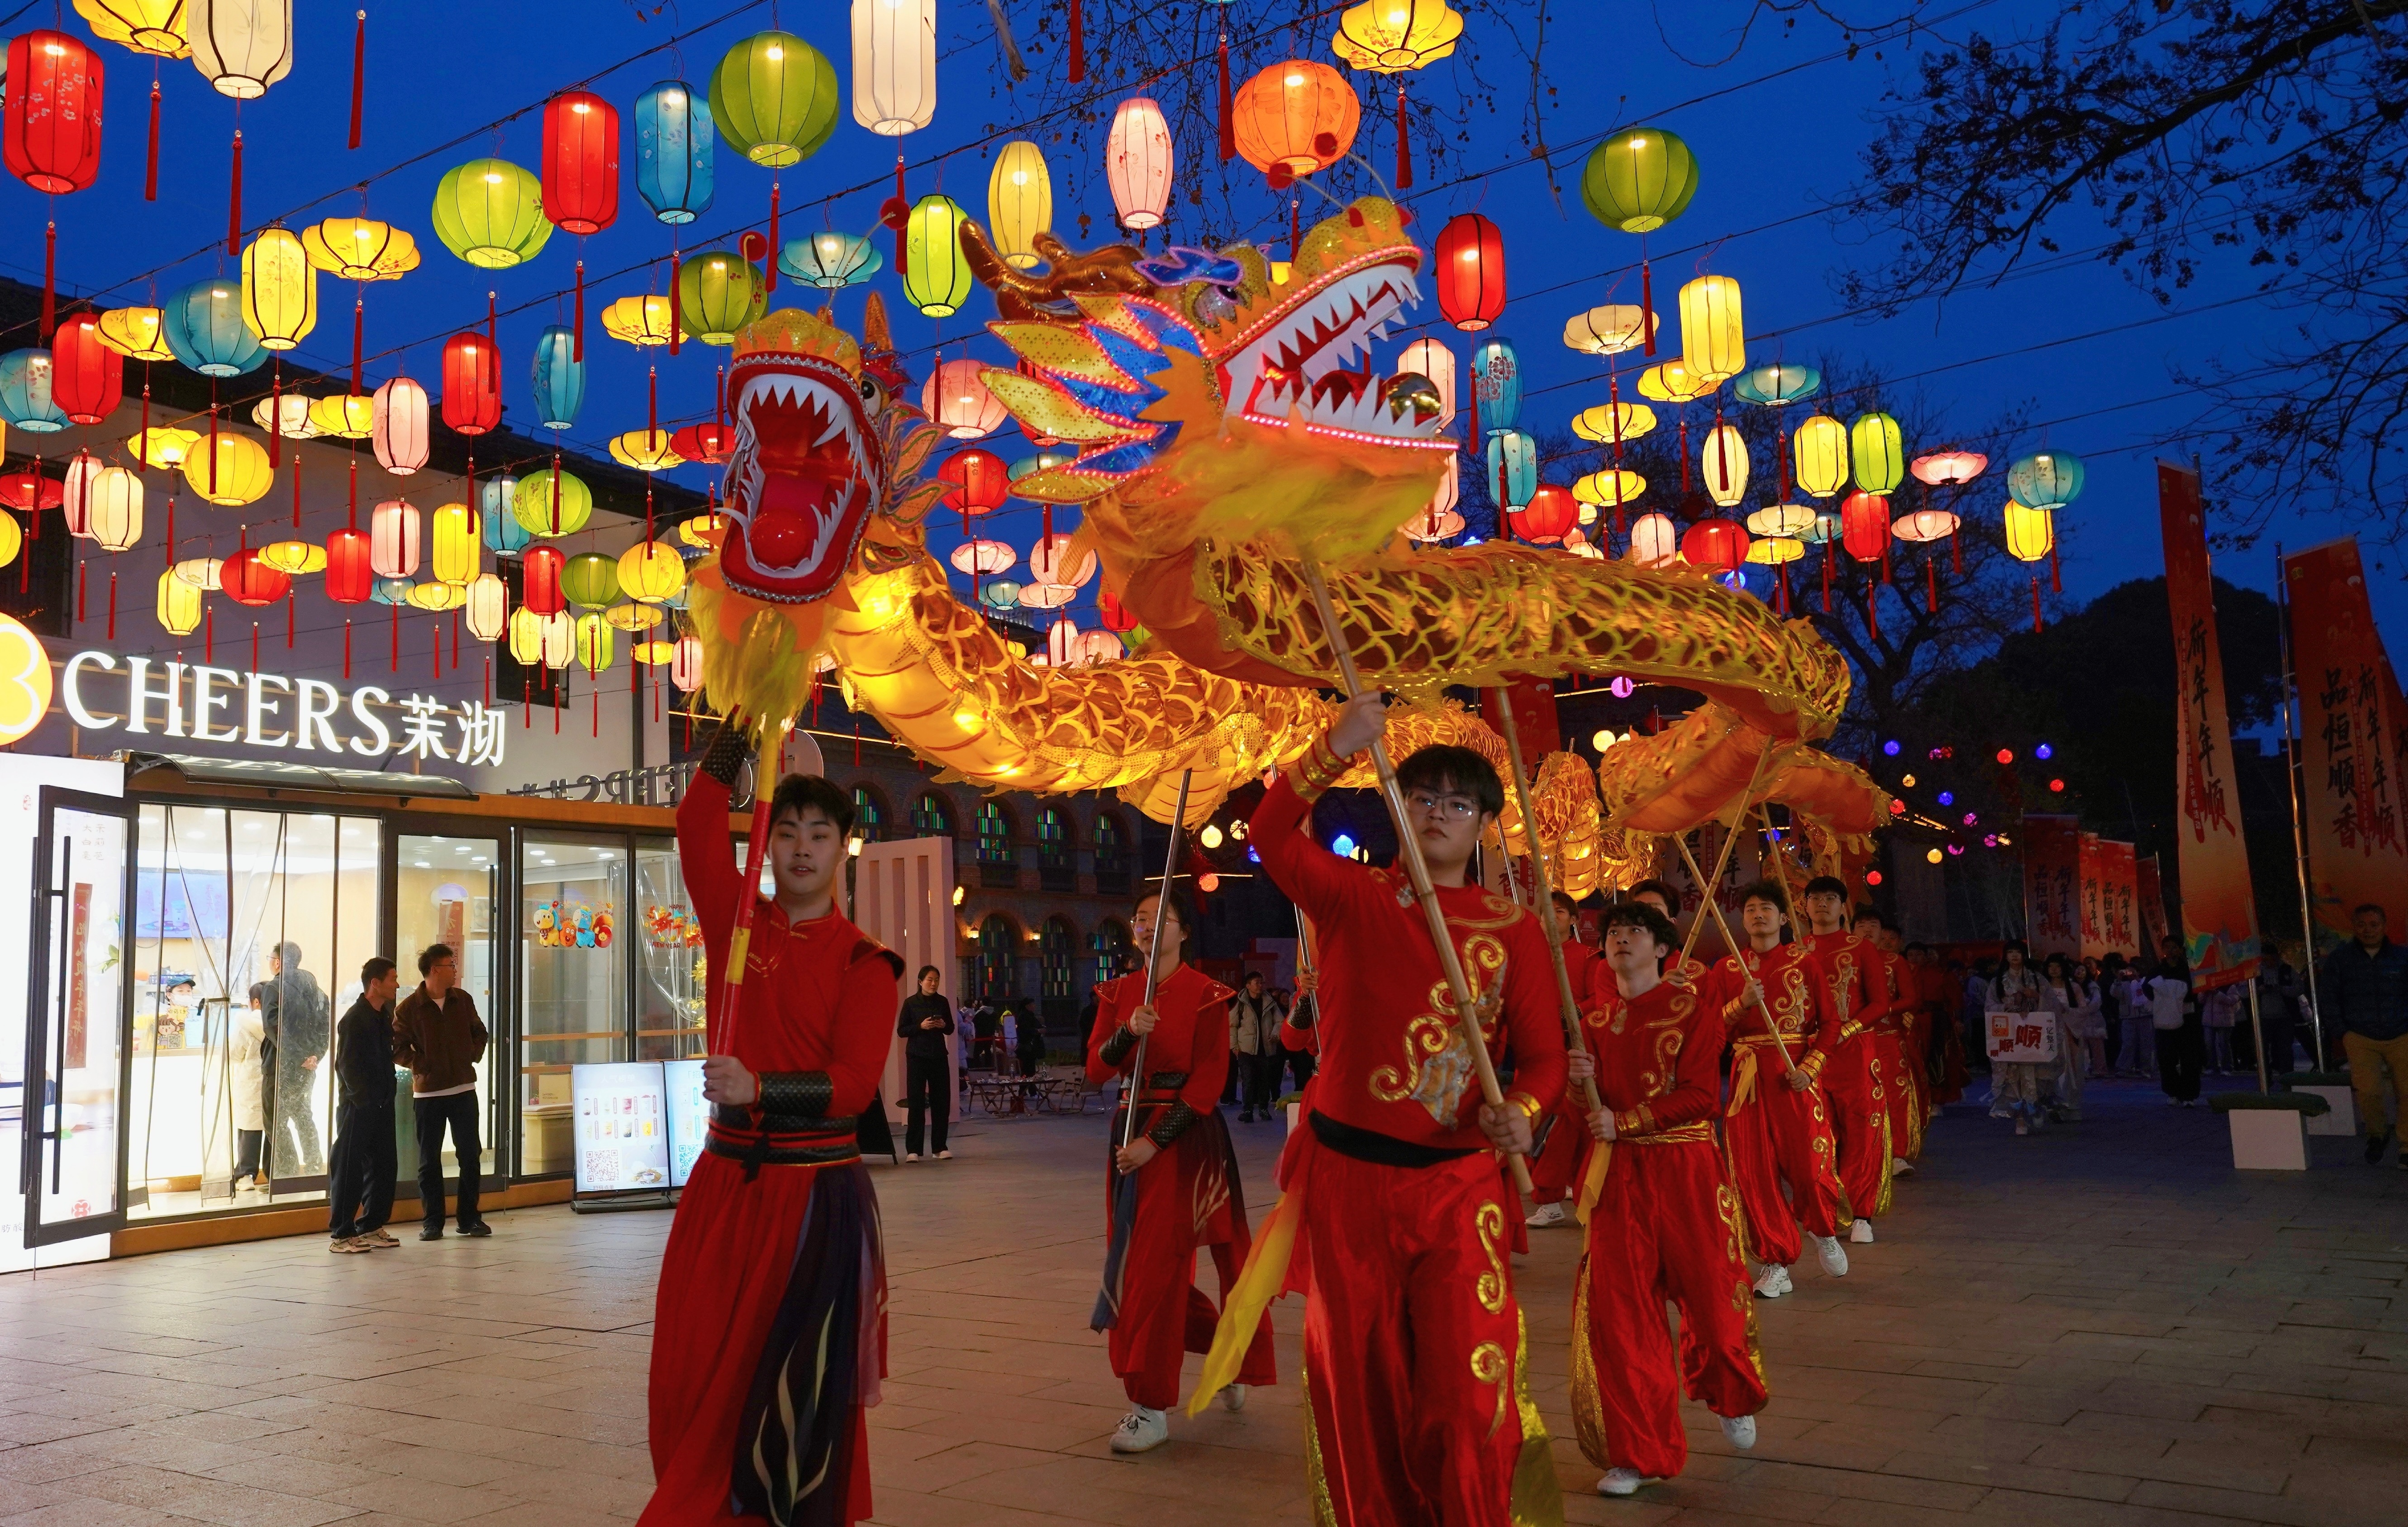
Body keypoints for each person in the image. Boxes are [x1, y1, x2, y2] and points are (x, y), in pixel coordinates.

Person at [1224, 693, 1568, 1525]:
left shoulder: (1514, 929)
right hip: (1350, 1185)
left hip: (1457, 1186)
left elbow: (1544, 1057)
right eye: (1421, 797)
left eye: (1457, 802)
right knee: (1362, 1390)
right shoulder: (1352, 897)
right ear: (1397, 807)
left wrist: (1524, 1108)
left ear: (1483, 822)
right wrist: (1332, 747)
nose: (1438, 812)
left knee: (1466, 1385)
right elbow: (1270, 833)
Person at [642, 732, 902, 1527]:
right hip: (722, 1186)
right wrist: (740, 717)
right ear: (768, 843)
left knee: (788, 1383)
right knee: (692, 1366)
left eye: (818, 834)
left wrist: (759, 1087)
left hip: (810, 1197)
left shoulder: (867, 963)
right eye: (785, 832)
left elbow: (853, 1086)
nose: (801, 848)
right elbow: (695, 821)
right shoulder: (738, 924)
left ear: (842, 847)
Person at [1566, 900, 1765, 1496]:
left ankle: (1729, 1393)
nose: (1621, 938)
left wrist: (1625, 1121)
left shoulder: (1691, 1011)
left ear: (1661, 949)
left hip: (1686, 1171)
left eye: (1635, 931)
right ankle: (1637, 1453)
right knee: (1621, 1318)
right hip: (1618, 1179)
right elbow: (1585, 1112)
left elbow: (1702, 1096)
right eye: (1613, 932)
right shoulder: (1592, 1021)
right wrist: (1575, 1084)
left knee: (1714, 1302)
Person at [1086, 890, 1274, 1453]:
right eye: (1140, 918)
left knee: (1154, 1268)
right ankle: (1224, 1355)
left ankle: (1149, 1405)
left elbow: (1209, 1079)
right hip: (1127, 1134)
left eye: (1159, 918)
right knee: (1139, 1265)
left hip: (1184, 1141)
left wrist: (1154, 1143)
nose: (1146, 926)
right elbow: (1095, 1068)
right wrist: (1128, 1031)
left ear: (1184, 932)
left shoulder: (1206, 994)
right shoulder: (1117, 992)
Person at [1703, 880, 1848, 1297]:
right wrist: (1741, 1005)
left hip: (1794, 1077)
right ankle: (1775, 1260)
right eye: (1750, 909)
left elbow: (1830, 1024)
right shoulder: (1727, 969)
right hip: (1748, 1081)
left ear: (1784, 917)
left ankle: (1824, 1230)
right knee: (1753, 1173)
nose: (1757, 915)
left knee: (1809, 1166)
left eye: (1766, 908)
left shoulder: (1805, 963)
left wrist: (1811, 1067)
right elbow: (1710, 1031)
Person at [1796, 876, 1891, 1241]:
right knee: (1816, 1134)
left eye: (1831, 898)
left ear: (1843, 906)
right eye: (1815, 898)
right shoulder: (1795, 952)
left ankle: (1861, 1213)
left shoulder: (1861, 949)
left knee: (1862, 1132)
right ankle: (1825, 1210)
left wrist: (1844, 1030)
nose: (1822, 904)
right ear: (1804, 906)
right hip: (1809, 1056)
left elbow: (1880, 1004)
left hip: (1854, 1055)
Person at [393, 943, 491, 1239]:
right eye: (451, 965)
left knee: (470, 1155)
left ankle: (469, 1218)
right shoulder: (409, 1008)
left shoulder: (463, 999)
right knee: (429, 1161)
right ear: (435, 970)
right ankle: (432, 1222)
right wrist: (422, 1065)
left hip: (463, 1088)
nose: (455, 971)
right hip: (429, 1094)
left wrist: (470, 1055)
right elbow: (396, 1048)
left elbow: (480, 1032)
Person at [1525, 889, 1599, 1229]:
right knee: (1542, 1118)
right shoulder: (1529, 954)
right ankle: (1557, 1192)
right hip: (1539, 1048)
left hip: (1578, 1049)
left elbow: (1599, 998)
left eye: (1560, 911)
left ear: (1574, 919)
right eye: (1546, 912)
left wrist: (1575, 1014)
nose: (1551, 917)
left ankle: (1560, 1193)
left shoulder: (1588, 957)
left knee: (1567, 1124)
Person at [2318, 903, 2408, 1164]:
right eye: (2362, 925)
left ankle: (2406, 1146)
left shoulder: (2402, 957)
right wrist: (2342, 1032)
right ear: (2354, 927)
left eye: (2374, 925)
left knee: (2407, 1092)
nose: (2368, 930)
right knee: (2368, 1092)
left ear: (2384, 927)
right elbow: (2328, 998)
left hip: (2401, 1034)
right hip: (2360, 1036)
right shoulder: (2340, 959)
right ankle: (2377, 1135)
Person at [328, 957, 403, 1253]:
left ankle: (371, 1225)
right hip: (357, 1107)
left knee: (385, 1166)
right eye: (392, 979)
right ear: (375, 983)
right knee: (349, 1167)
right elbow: (346, 1065)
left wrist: (387, 1093)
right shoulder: (354, 1019)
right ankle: (342, 1234)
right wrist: (362, 1099)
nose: (397, 984)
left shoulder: (383, 1015)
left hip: (382, 1103)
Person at [1853, 910, 1924, 1176]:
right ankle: (1859, 1155)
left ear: (1882, 932)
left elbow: (1910, 999)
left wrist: (1884, 1009)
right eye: (1861, 925)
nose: (1868, 930)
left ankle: (1897, 1154)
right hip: (1852, 1041)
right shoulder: (1845, 960)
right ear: (1852, 931)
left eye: (1874, 925)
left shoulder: (1894, 961)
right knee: (1855, 1098)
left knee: (1896, 1094)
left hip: (1887, 1038)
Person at [259, 942, 330, 1178]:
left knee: (276, 1121)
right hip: (308, 1067)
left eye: (271, 959)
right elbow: (324, 1027)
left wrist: (299, 1056)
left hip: (280, 1065)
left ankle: (287, 1174)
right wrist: (315, 1056)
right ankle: (314, 1166)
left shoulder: (274, 988)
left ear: (278, 962)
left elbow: (273, 1027)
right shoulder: (316, 990)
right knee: (303, 1115)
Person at [1988, 942, 2053, 1135]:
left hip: (2033, 1030)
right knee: (2012, 1073)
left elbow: (2053, 1003)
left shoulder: (2037, 979)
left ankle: (2035, 1106)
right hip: (2009, 1031)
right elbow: (1989, 1007)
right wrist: (2006, 1007)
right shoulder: (1998, 981)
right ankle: (2020, 1118)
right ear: (2006, 956)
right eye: (2010, 952)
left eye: (2018, 952)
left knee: (2034, 1072)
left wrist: (2036, 997)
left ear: (2024, 955)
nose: (2015, 956)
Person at [897, 966, 955, 1162]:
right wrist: (920, 1026)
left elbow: (951, 1028)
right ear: (921, 981)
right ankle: (913, 1150)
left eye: (936, 980)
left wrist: (943, 1025)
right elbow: (902, 1031)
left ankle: (940, 1147)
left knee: (941, 1102)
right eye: (930, 980)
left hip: (939, 1056)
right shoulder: (911, 1003)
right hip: (917, 1057)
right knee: (916, 1103)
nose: (934, 983)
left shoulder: (943, 1002)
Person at [2145, 940, 2202, 1107]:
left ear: (2180, 950)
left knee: (2189, 1057)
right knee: (2166, 1057)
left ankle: (2189, 1095)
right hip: (2165, 1018)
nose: (2171, 951)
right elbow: (2147, 989)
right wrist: (2167, 999)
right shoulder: (2156, 971)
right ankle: (2173, 1091)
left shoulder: (2190, 970)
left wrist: (2174, 996)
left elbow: (2196, 989)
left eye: (2174, 947)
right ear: (2163, 950)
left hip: (2187, 1017)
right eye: (2168, 947)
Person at [2040, 954, 2096, 1122]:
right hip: (2048, 1035)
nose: (2054, 970)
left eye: (2058, 966)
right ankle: (2053, 1105)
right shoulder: (2043, 988)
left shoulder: (2074, 988)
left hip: (2069, 1035)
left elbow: (2083, 1011)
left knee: (2071, 1069)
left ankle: (2071, 1105)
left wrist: (2067, 1012)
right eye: (2051, 966)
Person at [1227, 971, 1286, 1124]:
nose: (1260, 986)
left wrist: (1276, 1034)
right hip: (1246, 1049)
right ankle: (1247, 1111)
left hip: (1265, 1048)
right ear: (1248, 986)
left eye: (1261, 983)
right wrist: (1234, 1046)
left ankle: (1263, 1109)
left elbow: (1280, 1022)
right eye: (1256, 983)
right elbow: (1232, 1025)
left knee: (1264, 1081)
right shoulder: (1241, 1003)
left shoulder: (1270, 1002)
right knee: (1248, 1080)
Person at [230, 983, 268, 1192]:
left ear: (255, 1002)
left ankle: (246, 1175)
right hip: (273, 1081)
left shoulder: (245, 1024)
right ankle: (274, 1174)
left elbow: (234, 1053)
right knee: (273, 1128)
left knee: (249, 1127)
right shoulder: (279, 1023)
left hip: (251, 1080)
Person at [2115, 961, 2158, 1079]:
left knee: (2147, 1043)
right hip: (2128, 1017)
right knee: (2128, 1043)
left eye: (2132, 971)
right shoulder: (2123, 985)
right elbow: (2115, 994)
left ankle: (2147, 1068)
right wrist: (2118, 980)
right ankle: (2124, 1068)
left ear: (2138, 972)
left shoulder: (2144, 982)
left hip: (2145, 1016)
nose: (2130, 973)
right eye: (2127, 971)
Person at [2202, 983, 2241, 1075]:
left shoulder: (2230, 986)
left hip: (2224, 1020)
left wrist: (2217, 993)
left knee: (2223, 1044)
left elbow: (2232, 1001)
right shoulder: (2207, 986)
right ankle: (2212, 1066)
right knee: (2209, 1044)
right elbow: (2201, 1001)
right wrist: (2204, 992)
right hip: (2209, 1020)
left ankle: (2227, 1067)